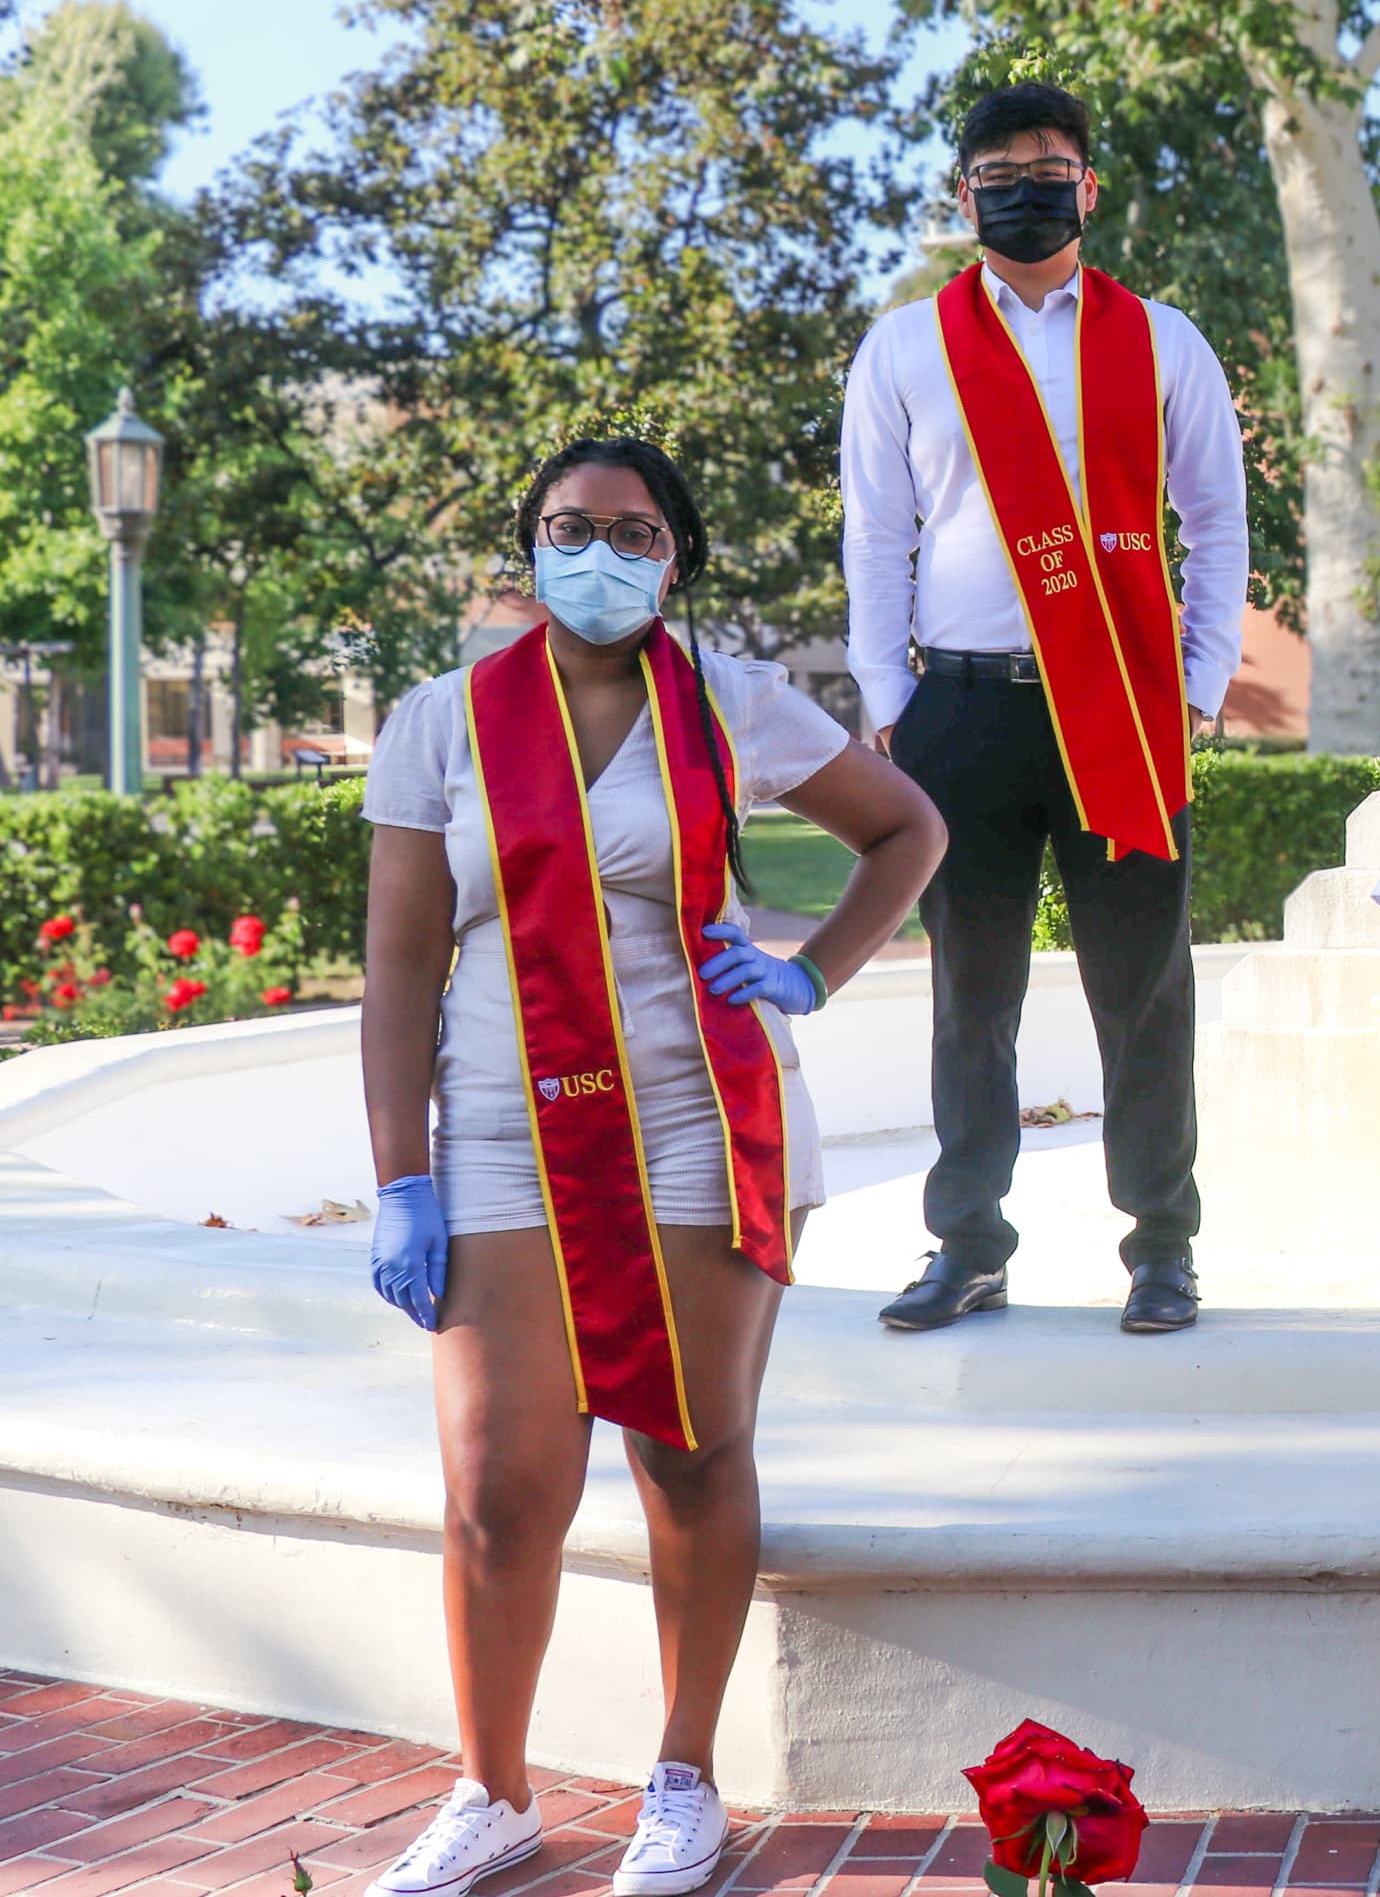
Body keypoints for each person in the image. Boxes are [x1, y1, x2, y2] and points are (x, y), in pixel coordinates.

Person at [358, 437, 942, 1897]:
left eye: (628, 531)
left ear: (674, 556)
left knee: (688, 1450)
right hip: (503, 1128)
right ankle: (490, 1792)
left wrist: (812, 973)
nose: (596, 553)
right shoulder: (443, 722)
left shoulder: (733, 701)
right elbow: (398, 963)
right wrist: (398, 1174)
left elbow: (906, 829)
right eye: (568, 527)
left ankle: (682, 1778)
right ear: (529, 545)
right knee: (500, 1481)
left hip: (700, 1115)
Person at [841, 80, 1250, 1335]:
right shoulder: (906, 345)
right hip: (959, 711)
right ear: (962, 196)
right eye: (1000, 169)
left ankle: (1162, 1249)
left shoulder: (1163, 339)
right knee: (973, 990)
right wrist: (889, 698)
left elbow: (1216, 519)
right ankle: (967, 1243)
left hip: (1123, 706)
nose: (1028, 185)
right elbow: (878, 532)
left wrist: (1200, 681)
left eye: (1051, 164)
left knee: (1143, 987)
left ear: (1089, 184)